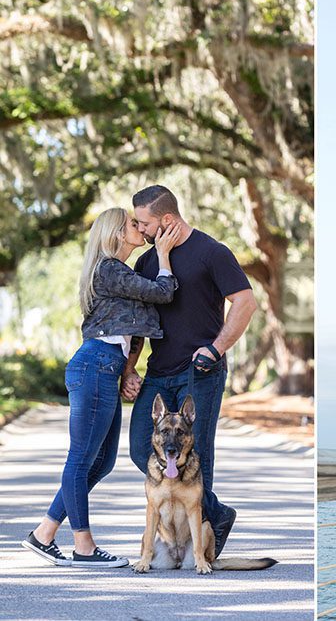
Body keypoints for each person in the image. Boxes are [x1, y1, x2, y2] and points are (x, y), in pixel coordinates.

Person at [21, 208, 181, 568]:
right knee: (80, 460)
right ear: (115, 234)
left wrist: (127, 371)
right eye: (132, 225)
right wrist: (165, 256)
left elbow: (126, 332)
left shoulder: (117, 271)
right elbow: (163, 291)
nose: (140, 228)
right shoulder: (110, 267)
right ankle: (84, 547)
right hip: (94, 364)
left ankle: (44, 533)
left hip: (105, 366)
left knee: (102, 462)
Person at [123, 185, 257, 558]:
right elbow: (140, 321)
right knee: (139, 447)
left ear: (166, 219)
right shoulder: (148, 263)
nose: (140, 228)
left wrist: (216, 348)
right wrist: (129, 368)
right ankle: (216, 512)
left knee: (200, 453)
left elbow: (246, 303)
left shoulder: (212, 252)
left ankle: (201, 540)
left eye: (144, 222)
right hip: (158, 372)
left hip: (202, 370)